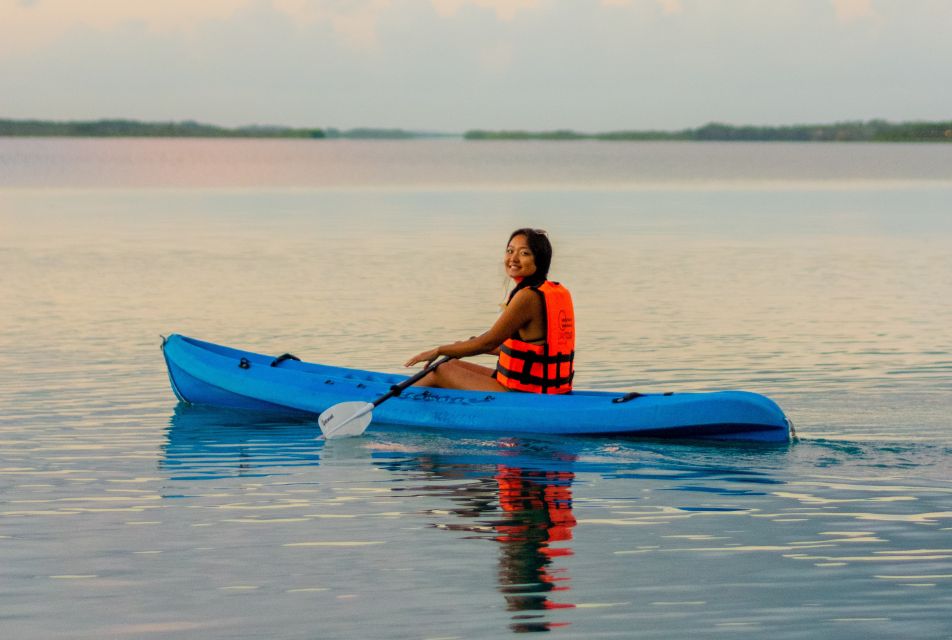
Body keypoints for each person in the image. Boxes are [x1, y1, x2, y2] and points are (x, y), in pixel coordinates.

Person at [405, 228, 575, 393]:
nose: (513, 258)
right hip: (541, 387)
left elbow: (488, 341)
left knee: (440, 370)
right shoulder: (546, 292)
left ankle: (397, 403)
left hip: (524, 394)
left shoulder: (528, 296)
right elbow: (519, 350)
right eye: (510, 251)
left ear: (540, 260)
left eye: (524, 253)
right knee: (452, 364)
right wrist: (463, 347)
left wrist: (439, 350)